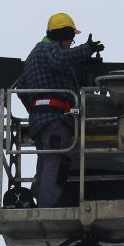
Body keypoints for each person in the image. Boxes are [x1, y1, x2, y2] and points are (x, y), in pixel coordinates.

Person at [18, 12, 105, 207]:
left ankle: (42, 201)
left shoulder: (33, 55)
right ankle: (48, 206)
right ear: (63, 34)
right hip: (55, 119)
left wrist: (35, 109)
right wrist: (87, 49)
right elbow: (61, 59)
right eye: (71, 38)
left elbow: (21, 88)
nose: (71, 42)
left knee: (44, 162)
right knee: (55, 163)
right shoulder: (50, 49)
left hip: (39, 121)